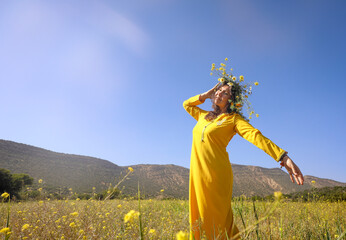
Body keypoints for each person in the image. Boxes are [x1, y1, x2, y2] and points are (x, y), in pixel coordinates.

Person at [183, 81, 304, 240]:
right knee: (198, 215)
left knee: (216, 218)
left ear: (231, 100)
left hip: (216, 175)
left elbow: (255, 136)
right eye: (218, 90)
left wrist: (282, 156)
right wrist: (206, 94)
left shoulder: (233, 119)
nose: (219, 93)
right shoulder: (203, 116)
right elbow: (187, 104)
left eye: (225, 92)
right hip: (197, 174)